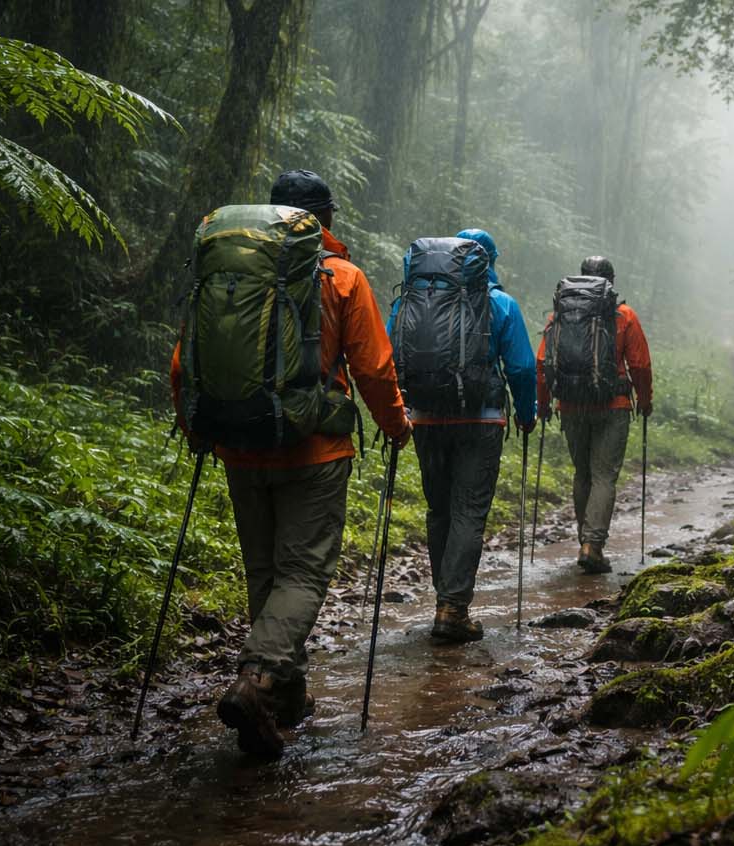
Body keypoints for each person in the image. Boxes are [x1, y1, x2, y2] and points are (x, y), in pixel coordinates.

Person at [171, 169, 412, 756]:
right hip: (315, 449)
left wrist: (195, 424)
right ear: (325, 220)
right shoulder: (344, 276)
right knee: (303, 574)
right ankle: (258, 679)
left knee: (265, 573)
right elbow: (374, 369)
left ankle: (284, 697)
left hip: (238, 444)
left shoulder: (228, 272)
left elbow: (184, 363)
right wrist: (395, 424)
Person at [387, 227, 537, 643]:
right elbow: (523, 368)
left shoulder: (409, 301)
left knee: (439, 511)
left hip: (426, 419)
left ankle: (445, 597)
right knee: (468, 512)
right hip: (480, 420)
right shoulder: (500, 304)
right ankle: (452, 607)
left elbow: (388, 352)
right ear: (487, 261)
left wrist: (394, 410)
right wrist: (528, 414)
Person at [536, 255, 653, 573]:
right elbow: (640, 364)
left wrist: (543, 404)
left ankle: (584, 540)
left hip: (571, 405)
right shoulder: (624, 315)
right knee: (603, 476)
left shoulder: (559, 314)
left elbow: (542, 363)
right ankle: (593, 545)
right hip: (612, 406)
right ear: (611, 281)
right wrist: (645, 400)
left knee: (582, 473)